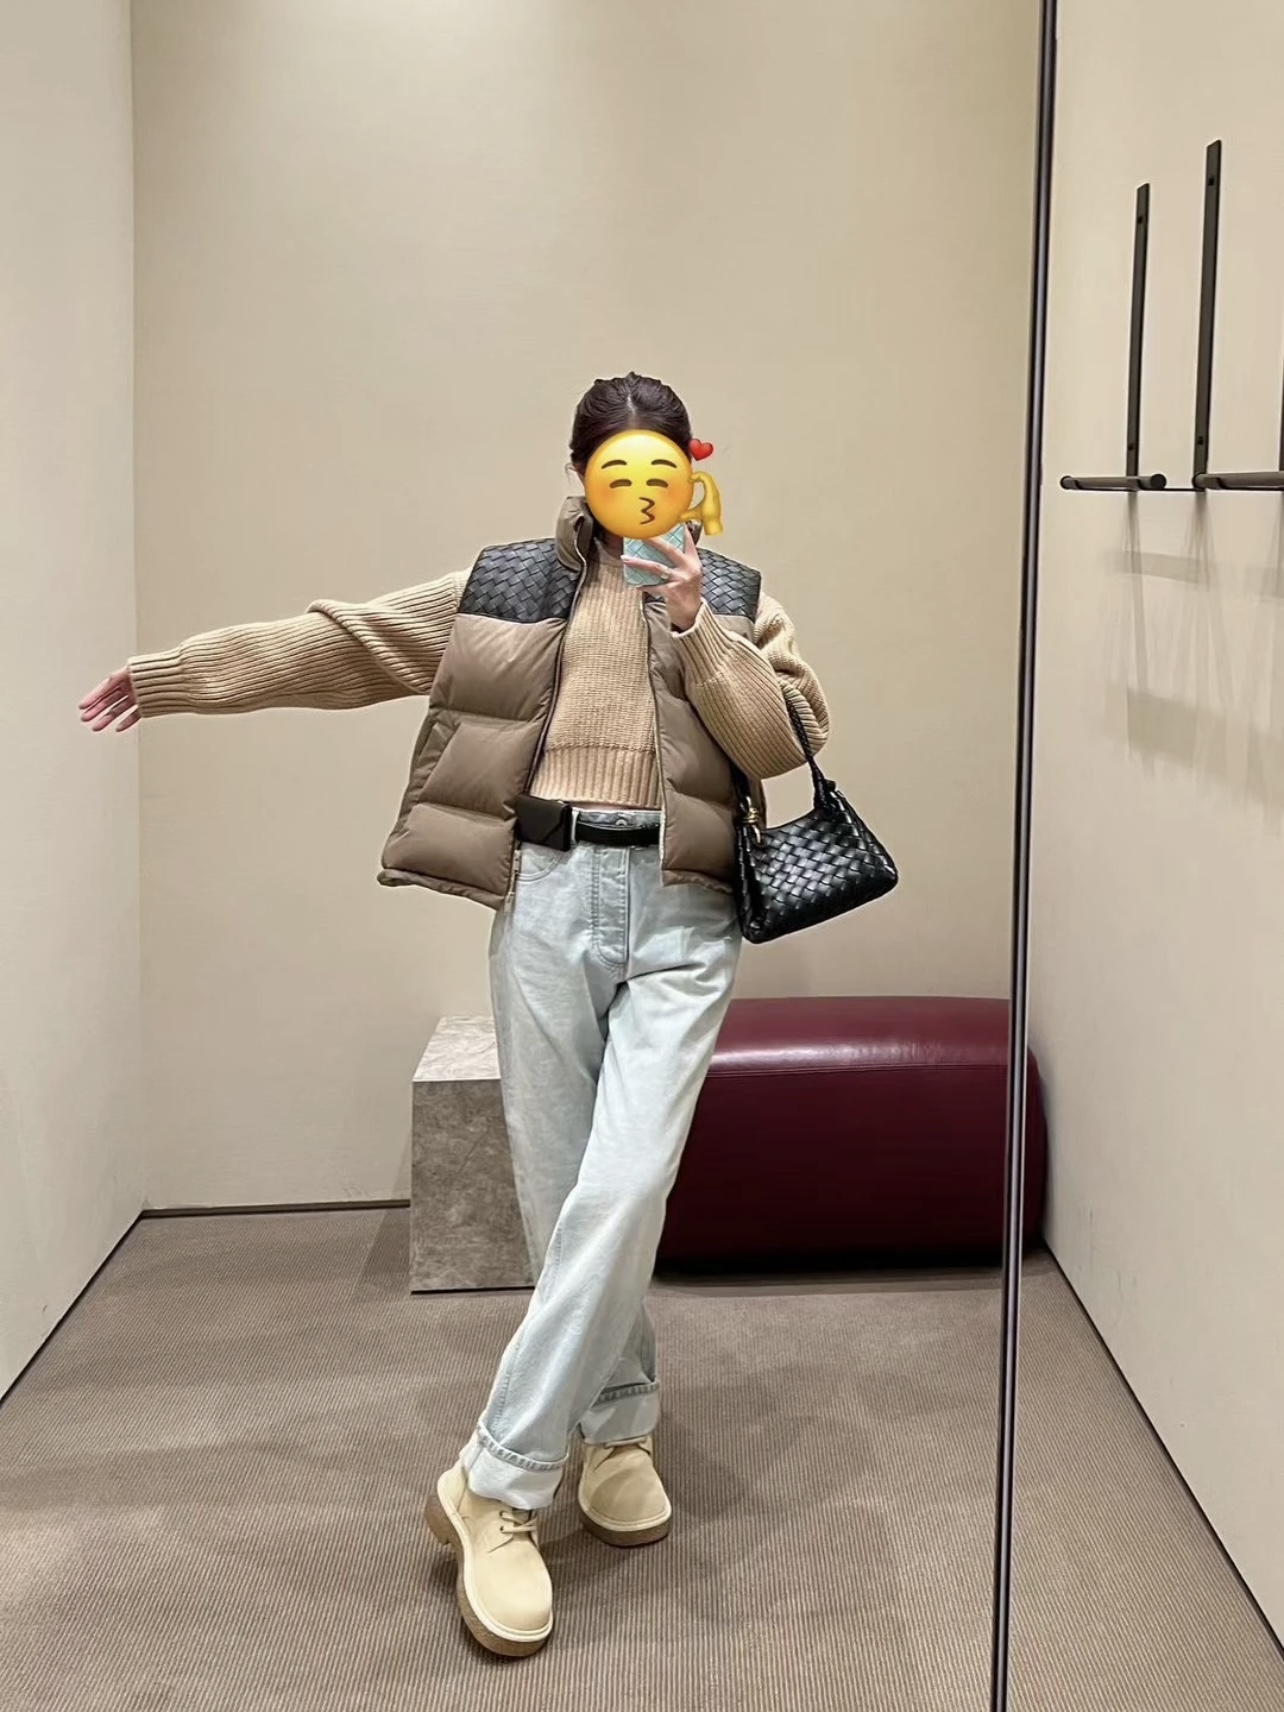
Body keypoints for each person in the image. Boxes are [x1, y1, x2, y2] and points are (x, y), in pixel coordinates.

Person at [81, 372, 830, 1659]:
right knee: (560, 1189)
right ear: (583, 473)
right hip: (546, 893)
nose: (639, 487)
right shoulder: (510, 586)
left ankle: (498, 1478)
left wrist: (699, 623)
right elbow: (347, 642)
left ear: (690, 467)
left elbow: (780, 745)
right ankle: (620, 1423)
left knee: (626, 1183)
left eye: (660, 464)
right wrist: (177, 676)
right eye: (617, 466)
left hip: (685, 906)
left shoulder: (740, 593)